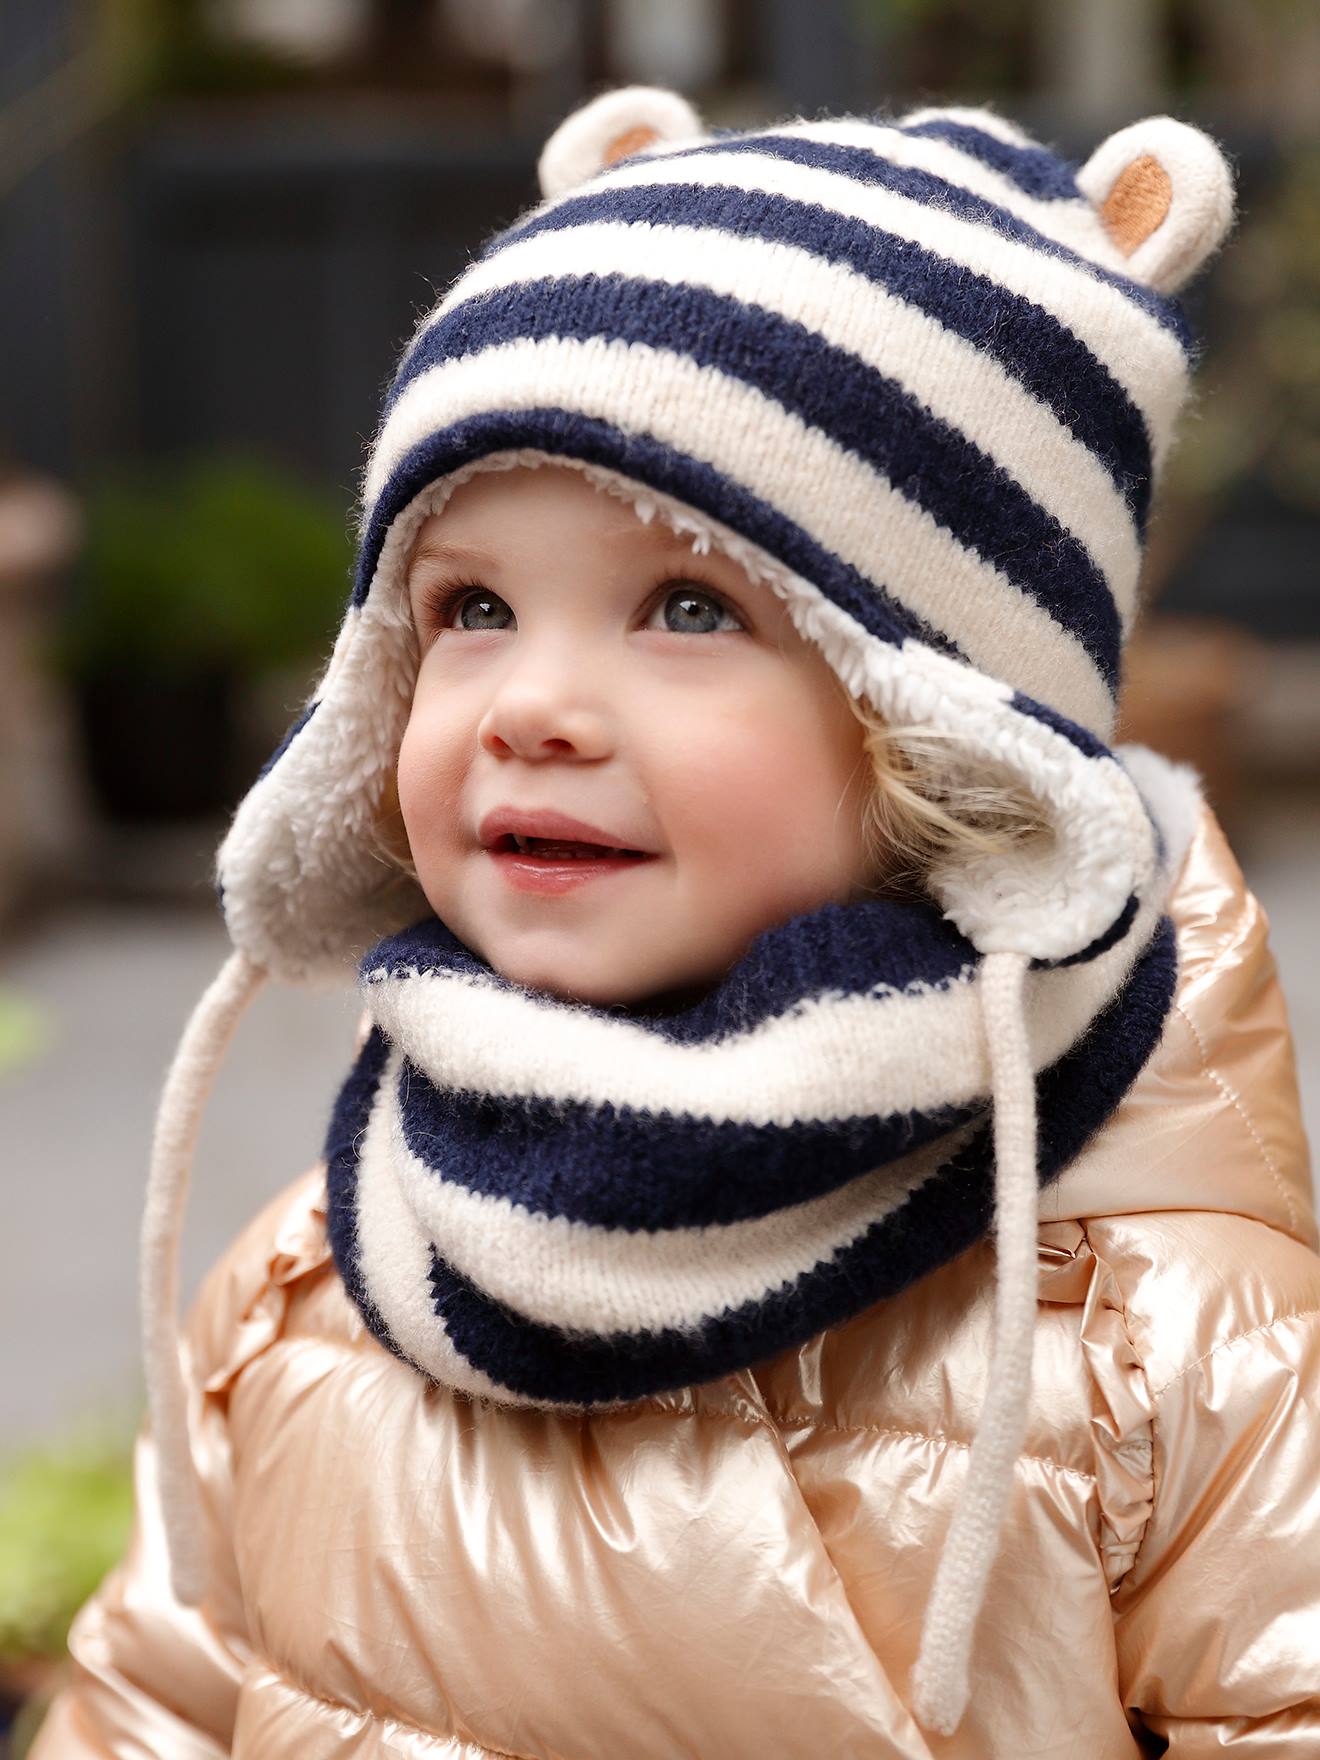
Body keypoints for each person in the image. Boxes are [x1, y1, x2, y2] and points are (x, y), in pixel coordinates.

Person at [32, 85, 1320, 1758]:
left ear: (948, 737)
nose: (534, 707)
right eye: (472, 607)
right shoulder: (318, 1272)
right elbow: (155, 1693)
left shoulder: (1162, 1342)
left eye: (690, 606)